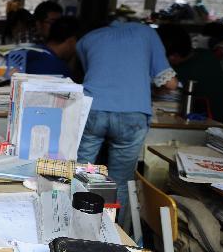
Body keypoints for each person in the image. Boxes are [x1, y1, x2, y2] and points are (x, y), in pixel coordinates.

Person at [76, 21, 178, 228]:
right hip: (133, 113)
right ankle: (114, 233)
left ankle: (74, 228)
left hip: (93, 109)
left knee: (80, 173)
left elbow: (95, 74)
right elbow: (170, 83)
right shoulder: (147, 33)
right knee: (120, 181)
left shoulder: (87, 38)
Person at [157, 24, 223, 122]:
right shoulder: (206, 55)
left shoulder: (185, 71)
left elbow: (164, 89)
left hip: (207, 121)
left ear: (174, 56)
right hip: (219, 118)